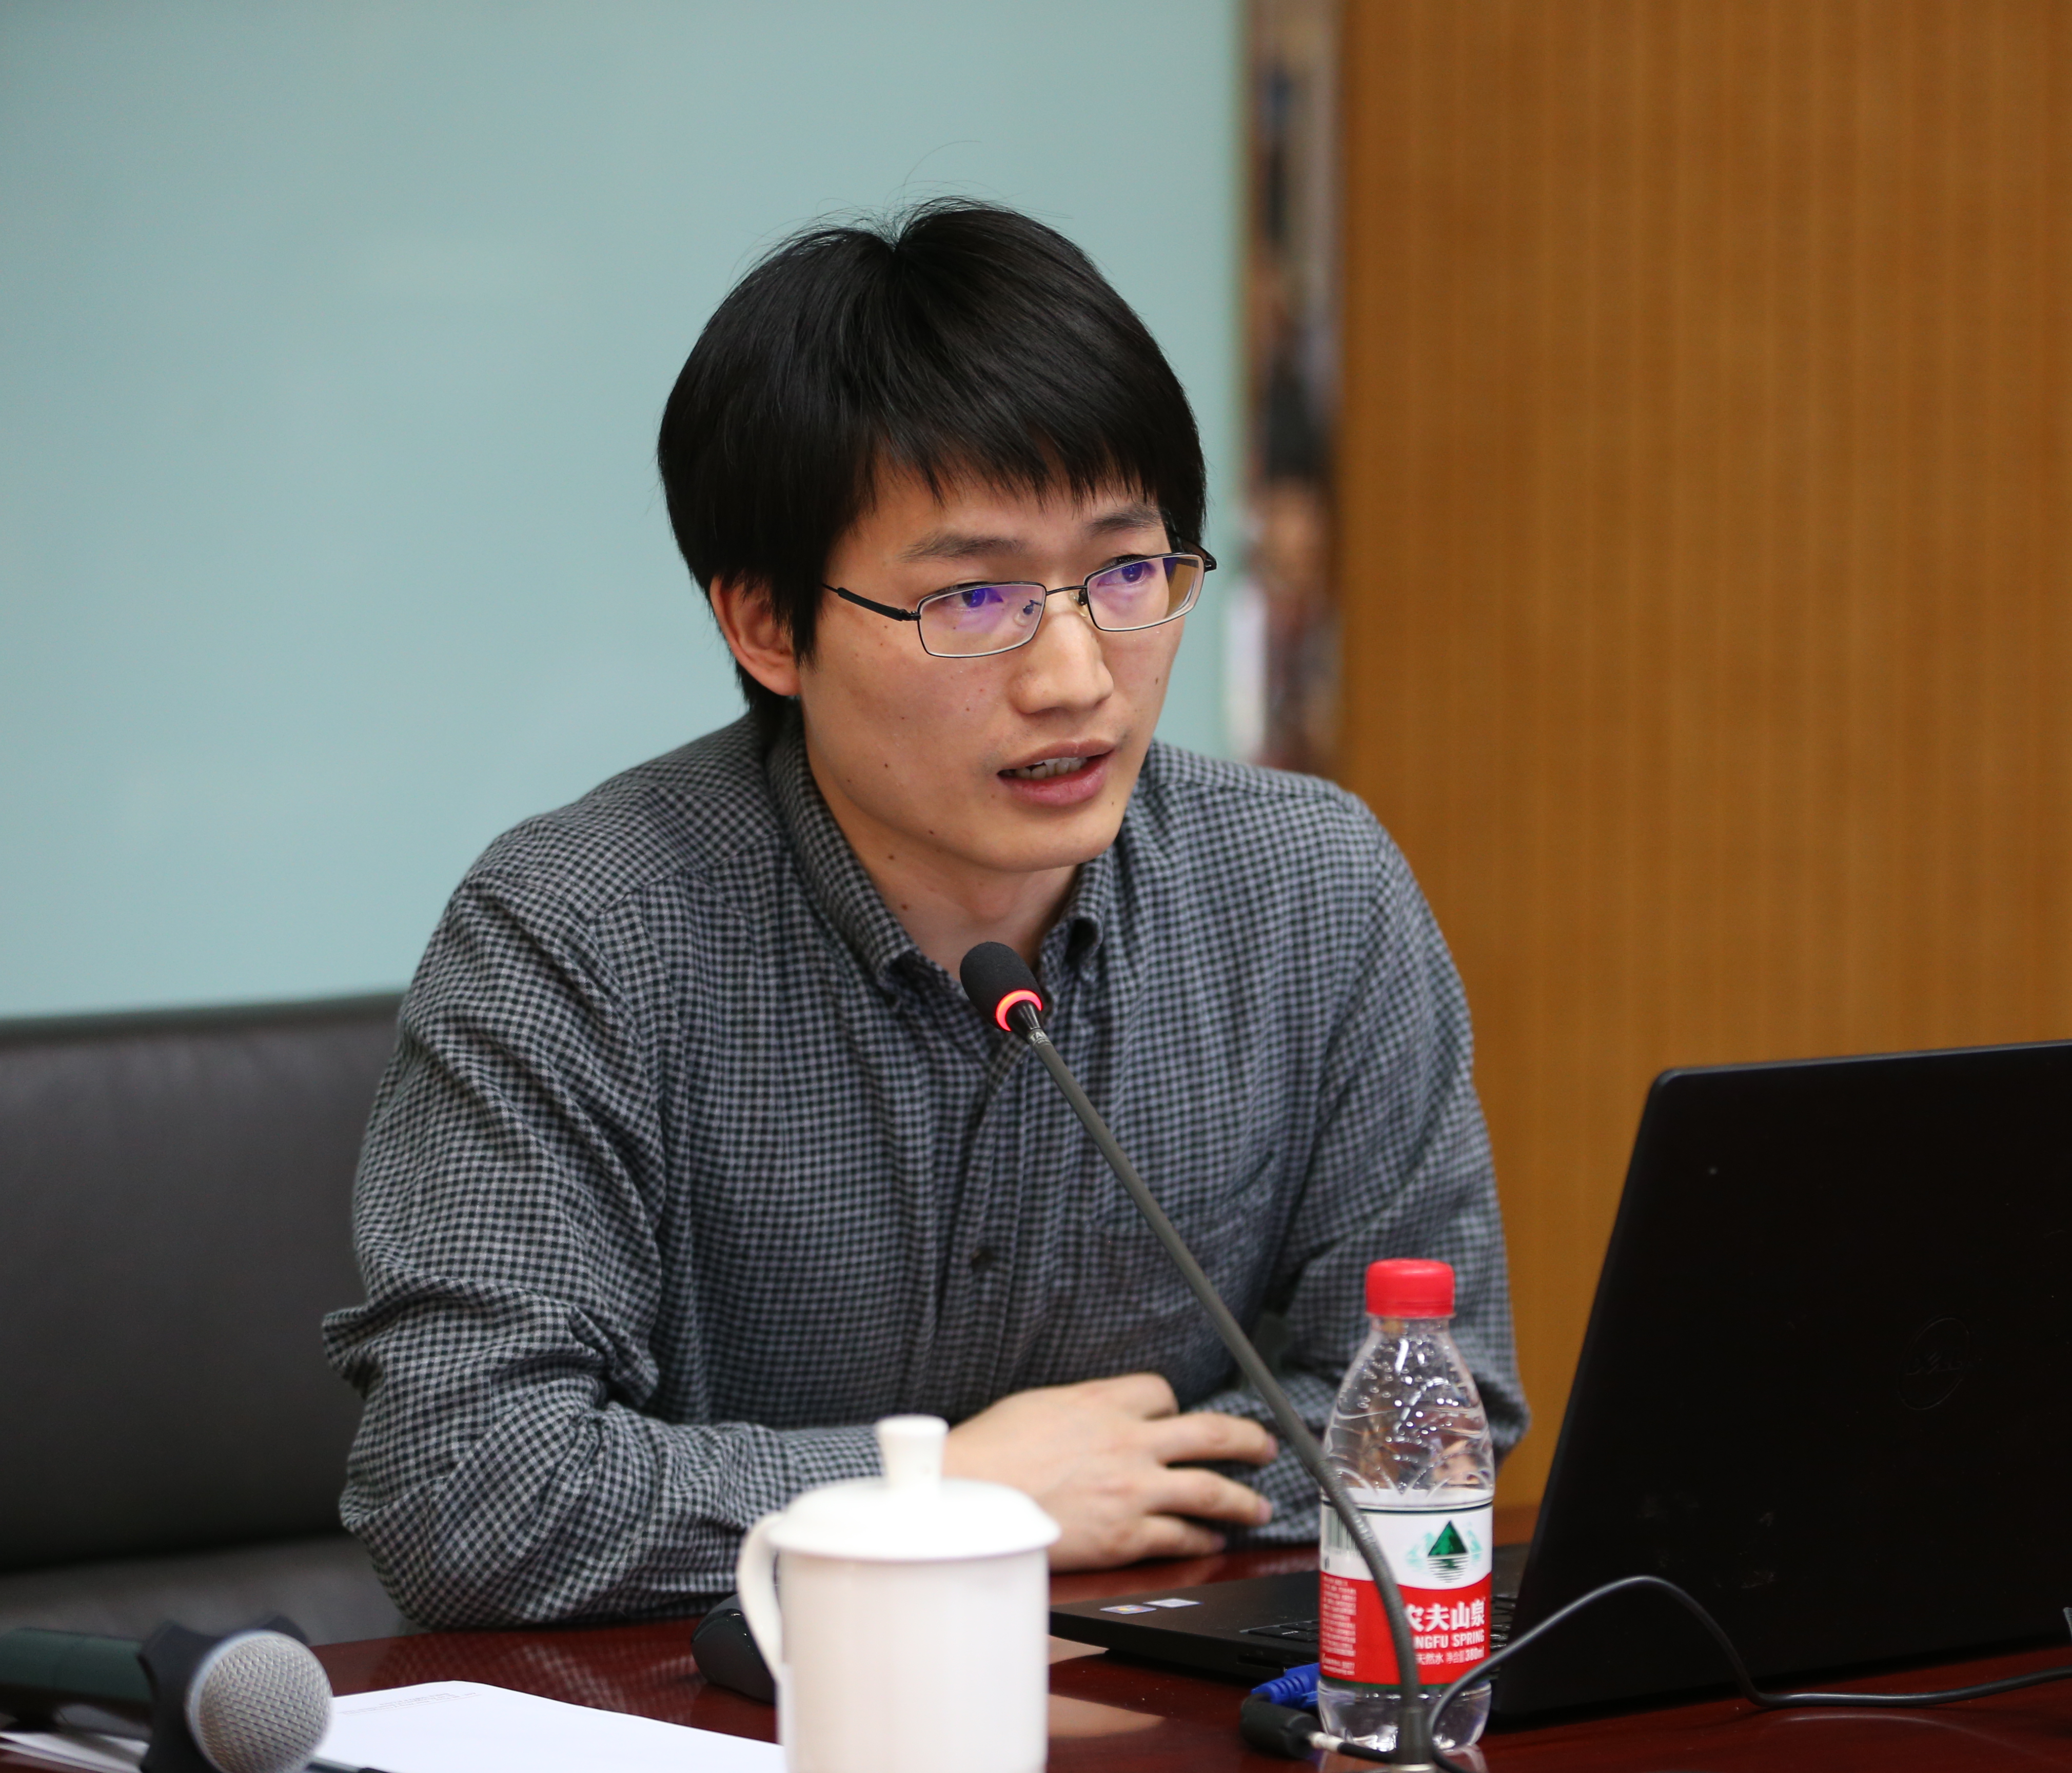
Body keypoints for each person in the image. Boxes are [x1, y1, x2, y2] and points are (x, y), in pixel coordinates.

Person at [322, 202, 1527, 1629]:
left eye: (1126, 574)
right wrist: (947, 1498)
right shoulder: (582, 937)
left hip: (1149, 1700)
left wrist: (1095, 1499)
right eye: (974, 598)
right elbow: (463, 1484)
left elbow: (1436, 1404)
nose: (1076, 676)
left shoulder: (1308, 894)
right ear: (766, 625)